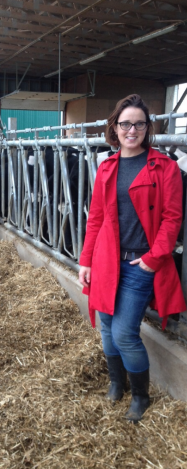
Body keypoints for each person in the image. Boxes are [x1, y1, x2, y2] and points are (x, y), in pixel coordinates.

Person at [78, 94, 186, 423]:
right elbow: (95, 218)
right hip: (108, 259)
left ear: (147, 128)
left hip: (142, 263)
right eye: (125, 123)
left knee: (125, 332)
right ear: (115, 127)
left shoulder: (165, 167)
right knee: (107, 327)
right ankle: (116, 383)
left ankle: (141, 395)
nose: (132, 129)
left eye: (139, 123)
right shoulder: (107, 166)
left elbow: (172, 218)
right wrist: (85, 261)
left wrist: (154, 259)